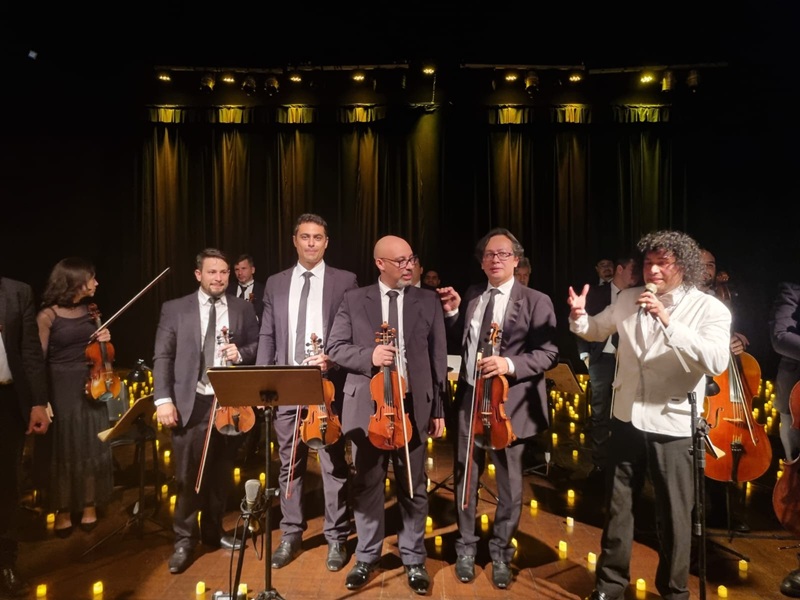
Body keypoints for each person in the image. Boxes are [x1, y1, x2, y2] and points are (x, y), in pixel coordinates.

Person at [568, 230, 731, 600]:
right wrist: (579, 317)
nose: (653, 270)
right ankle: (609, 585)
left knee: (674, 514)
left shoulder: (709, 309)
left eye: (663, 263)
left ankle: (674, 591)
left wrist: (668, 321)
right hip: (626, 417)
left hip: (672, 422)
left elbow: (716, 359)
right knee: (618, 505)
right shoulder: (627, 298)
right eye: (648, 263)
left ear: (683, 266)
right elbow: (597, 329)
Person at [437, 228, 559, 589]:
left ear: (516, 260)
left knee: (509, 483)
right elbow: (461, 339)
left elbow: (549, 353)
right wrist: (453, 313)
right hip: (471, 400)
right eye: (489, 255)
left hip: (510, 404)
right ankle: (465, 547)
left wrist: (509, 365)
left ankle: (502, 552)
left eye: (503, 254)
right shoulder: (474, 295)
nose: (495, 260)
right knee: (466, 478)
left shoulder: (537, 300)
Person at [327, 235, 448, 595]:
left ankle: (413, 559)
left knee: (413, 486)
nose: (409, 266)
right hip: (369, 408)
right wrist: (370, 356)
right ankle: (366, 556)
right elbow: (335, 348)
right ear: (380, 264)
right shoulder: (353, 299)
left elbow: (438, 357)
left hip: (413, 405)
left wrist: (439, 407)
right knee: (367, 485)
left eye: (411, 259)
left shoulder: (427, 300)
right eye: (401, 261)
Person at [256, 213, 358, 571]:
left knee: (332, 464)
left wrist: (332, 357)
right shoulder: (276, 283)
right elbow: (267, 334)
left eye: (318, 237)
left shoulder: (346, 280)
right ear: (294, 240)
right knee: (289, 464)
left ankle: (336, 538)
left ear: (326, 242)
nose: (311, 243)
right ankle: (290, 534)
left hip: (327, 385)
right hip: (287, 384)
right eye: (305, 237)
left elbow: (353, 331)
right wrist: (264, 381)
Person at [153, 248, 260, 575]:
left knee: (221, 473)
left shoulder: (242, 308)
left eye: (224, 272)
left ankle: (214, 530)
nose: (219, 278)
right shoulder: (175, 309)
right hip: (192, 401)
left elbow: (258, 345)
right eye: (212, 272)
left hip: (229, 403)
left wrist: (240, 352)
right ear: (199, 274)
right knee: (188, 476)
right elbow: (162, 357)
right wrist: (163, 400)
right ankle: (184, 539)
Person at [36, 258, 116, 537]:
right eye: (91, 278)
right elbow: (38, 361)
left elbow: (103, 354)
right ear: (75, 282)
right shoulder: (48, 316)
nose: (96, 283)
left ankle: (89, 504)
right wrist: (41, 398)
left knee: (91, 445)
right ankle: (63, 509)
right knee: (67, 446)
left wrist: (104, 338)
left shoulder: (91, 311)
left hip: (90, 385)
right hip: (62, 387)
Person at [0, 276, 50, 598]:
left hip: (7, 403)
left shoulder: (18, 292)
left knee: (6, 484)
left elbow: (30, 351)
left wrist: (37, 402)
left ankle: (6, 562)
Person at [575, 256, 639, 477]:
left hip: (628, 362)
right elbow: (588, 323)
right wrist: (584, 354)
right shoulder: (597, 292)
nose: (638, 274)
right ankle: (601, 462)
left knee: (625, 412)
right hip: (601, 359)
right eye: (634, 269)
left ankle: (624, 464)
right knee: (600, 410)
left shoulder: (638, 295)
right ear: (621, 269)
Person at [227, 253, 265, 322]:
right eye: (237, 269)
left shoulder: (263, 291)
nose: (240, 273)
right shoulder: (228, 290)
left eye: (243, 268)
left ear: (252, 270)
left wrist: (253, 319)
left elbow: (267, 316)